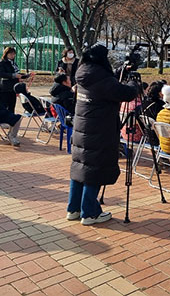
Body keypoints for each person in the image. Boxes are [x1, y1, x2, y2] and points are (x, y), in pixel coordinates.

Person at [68, 44, 138, 226]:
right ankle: (90, 213)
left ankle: (73, 209)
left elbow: (106, 84)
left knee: (80, 168)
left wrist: (121, 71)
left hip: (82, 130)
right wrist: (133, 82)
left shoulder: (84, 71)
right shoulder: (102, 78)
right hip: (99, 130)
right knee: (94, 170)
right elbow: (126, 93)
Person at [0, 47, 31, 114]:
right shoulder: (1, 63)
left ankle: (11, 120)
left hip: (13, 88)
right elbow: (1, 74)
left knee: (12, 106)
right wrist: (13, 75)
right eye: (11, 54)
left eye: (14, 54)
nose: (13, 55)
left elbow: (17, 73)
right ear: (6, 54)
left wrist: (27, 75)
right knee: (3, 106)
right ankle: (2, 121)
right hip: (4, 88)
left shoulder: (13, 63)